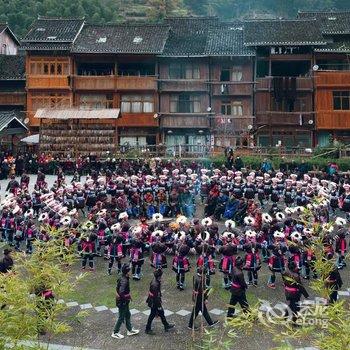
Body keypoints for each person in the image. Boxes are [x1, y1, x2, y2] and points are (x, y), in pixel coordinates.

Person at [111, 264, 139, 339]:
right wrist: (128, 297)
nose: (130, 272)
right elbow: (121, 293)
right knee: (121, 317)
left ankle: (129, 330)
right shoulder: (124, 280)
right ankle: (115, 332)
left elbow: (117, 288)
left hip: (124, 301)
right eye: (129, 270)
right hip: (122, 302)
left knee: (128, 314)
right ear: (127, 272)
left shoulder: (123, 277)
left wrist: (128, 297)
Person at [145, 269, 175, 334]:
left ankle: (166, 325)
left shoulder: (156, 281)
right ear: (159, 277)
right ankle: (147, 329)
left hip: (155, 301)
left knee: (161, 313)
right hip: (154, 302)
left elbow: (157, 294)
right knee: (152, 315)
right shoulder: (155, 284)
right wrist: (159, 306)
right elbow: (155, 296)